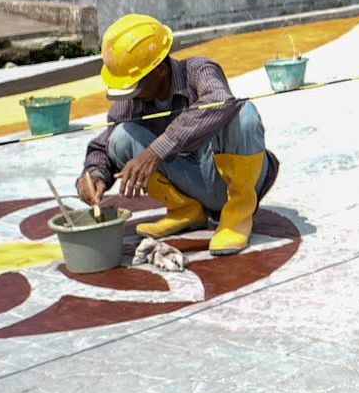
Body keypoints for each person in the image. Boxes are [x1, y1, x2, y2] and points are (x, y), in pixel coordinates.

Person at [76, 14, 279, 256]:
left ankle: (238, 215)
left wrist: (157, 150)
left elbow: (219, 100)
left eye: (136, 85)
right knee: (120, 137)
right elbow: (103, 147)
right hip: (191, 182)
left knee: (243, 113)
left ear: (160, 70)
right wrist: (94, 176)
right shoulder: (131, 103)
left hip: (225, 178)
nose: (133, 94)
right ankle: (186, 211)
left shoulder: (199, 70)